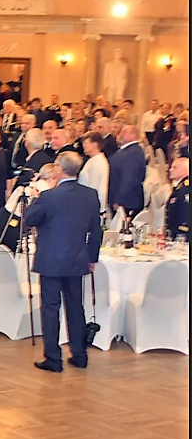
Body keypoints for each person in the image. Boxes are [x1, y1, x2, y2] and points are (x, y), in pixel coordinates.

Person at [24, 152, 102, 372]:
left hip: (51, 259)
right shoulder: (90, 195)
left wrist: (35, 198)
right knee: (76, 307)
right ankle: (79, 354)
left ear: (59, 169)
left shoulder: (49, 196)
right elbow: (96, 230)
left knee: (50, 308)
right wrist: (92, 257)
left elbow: (29, 219)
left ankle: (53, 358)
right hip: (77, 258)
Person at [108, 125, 146, 218]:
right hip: (121, 199)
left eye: (124, 132)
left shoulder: (134, 152)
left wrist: (119, 200)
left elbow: (129, 179)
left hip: (127, 202)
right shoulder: (127, 150)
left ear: (133, 135)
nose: (120, 134)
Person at [79, 132, 110, 215]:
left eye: (86, 143)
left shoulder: (97, 162)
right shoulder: (93, 160)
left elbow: (93, 188)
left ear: (95, 144)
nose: (83, 146)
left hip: (91, 207)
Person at [165, 158, 190, 239]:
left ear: (186, 169)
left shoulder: (186, 189)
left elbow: (186, 214)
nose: (170, 170)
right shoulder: (180, 187)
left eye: (175, 167)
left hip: (183, 235)